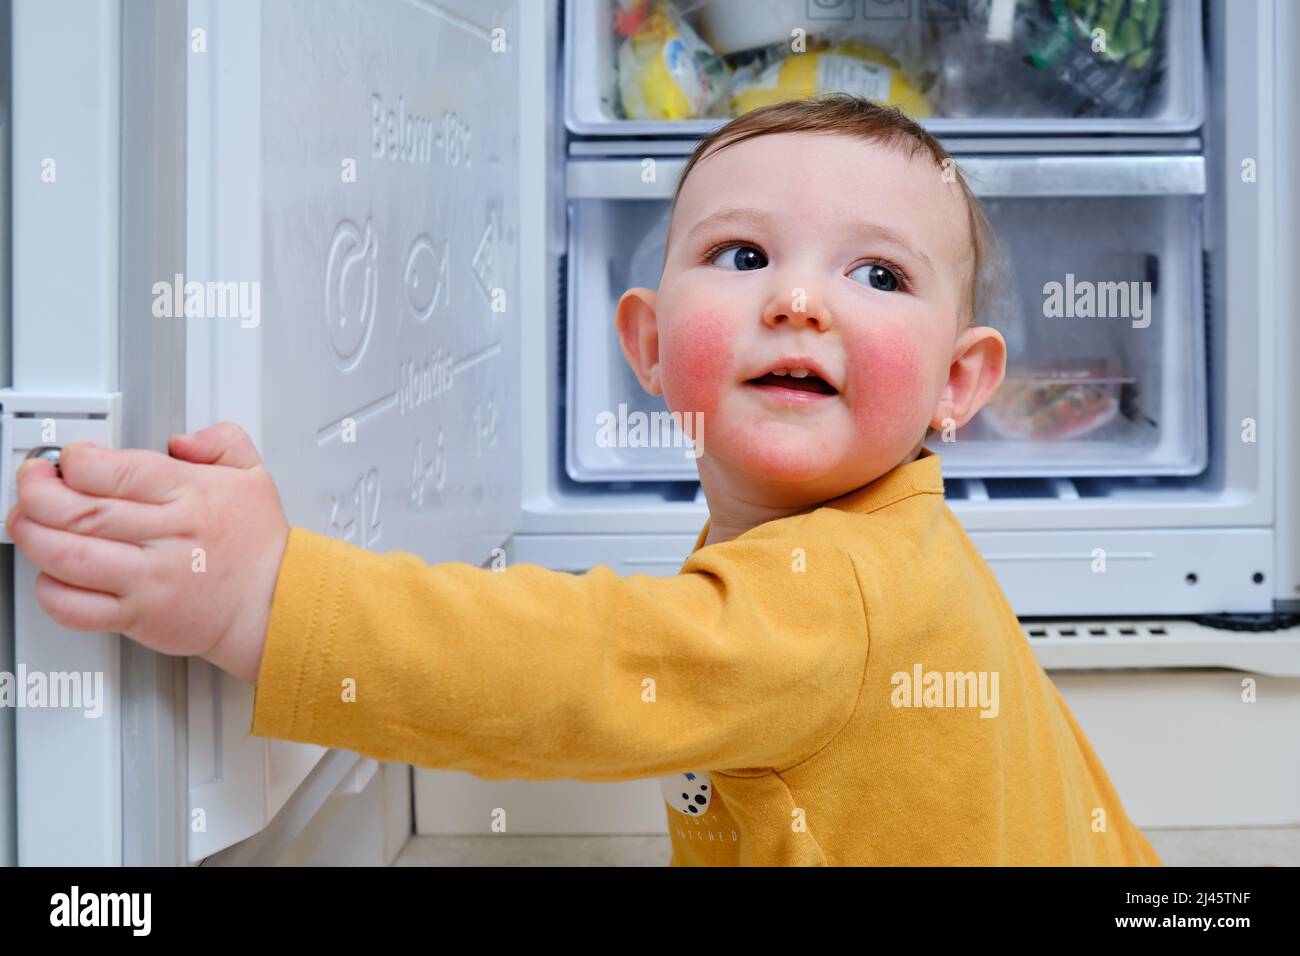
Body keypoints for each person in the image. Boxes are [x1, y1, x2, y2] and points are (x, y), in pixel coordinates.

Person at [6, 94, 1160, 866]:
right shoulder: (891, 550)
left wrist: (269, 599)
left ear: (958, 385)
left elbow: (570, 666)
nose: (799, 299)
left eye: (876, 271)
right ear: (648, 344)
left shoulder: (839, 589)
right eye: (743, 254)